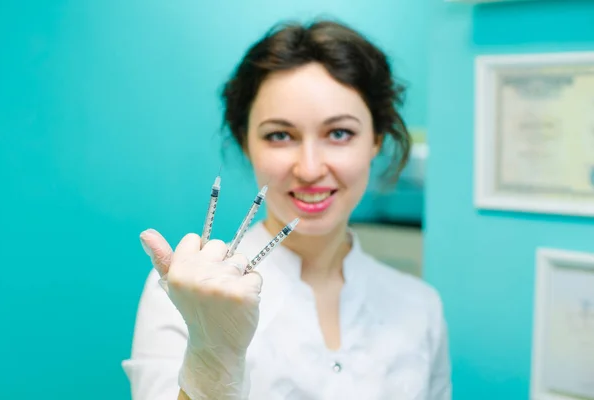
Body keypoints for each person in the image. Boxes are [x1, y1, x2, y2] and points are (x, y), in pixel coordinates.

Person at [122, 18, 451, 400]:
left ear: (375, 139)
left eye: (339, 133)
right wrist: (210, 365)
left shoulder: (420, 308)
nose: (310, 169)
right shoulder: (183, 292)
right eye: (280, 135)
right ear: (247, 144)